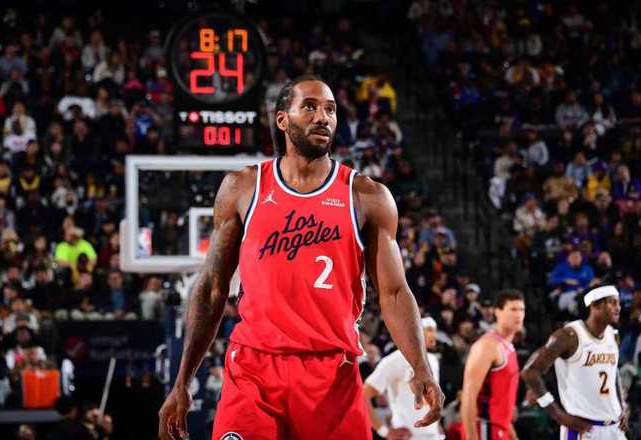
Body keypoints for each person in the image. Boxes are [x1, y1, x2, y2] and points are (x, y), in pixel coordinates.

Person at [158, 75, 444, 440]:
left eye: (330, 109)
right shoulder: (243, 187)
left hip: (331, 372)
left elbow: (395, 293)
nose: (322, 117)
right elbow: (213, 287)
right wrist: (182, 380)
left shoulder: (366, 196)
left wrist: (420, 365)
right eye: (309, 107)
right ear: (282, 119)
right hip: (254, 369)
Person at [521, 285, 629, 439]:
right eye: (612, 302)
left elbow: (612, 372)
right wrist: (558, 415)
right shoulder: (569, 336)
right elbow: (530, 372)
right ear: (595, 305)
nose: (618, 308)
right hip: (583, 428)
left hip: (614, 426)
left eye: (618, 303)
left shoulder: (613, 335)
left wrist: (622, 404)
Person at [460, 290, 526, 440]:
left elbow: (500, 401)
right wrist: (471, 437)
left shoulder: (508, 347)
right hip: (484, 428)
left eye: (521, 310)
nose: (518, 315)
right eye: (513, 309)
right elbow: (468, 395)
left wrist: (511, 433)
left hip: (499, 428)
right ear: (497, 312)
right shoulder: (487, 345)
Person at [364, 316, 442, 439]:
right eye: (429, 329)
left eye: (434, 330)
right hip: (407, 436)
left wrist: (437, 425)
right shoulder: (395, 359)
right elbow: (363, 395)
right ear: (415, 332)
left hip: (432, 435)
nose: (433, 334)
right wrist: (385, 431)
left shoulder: (433, 360)